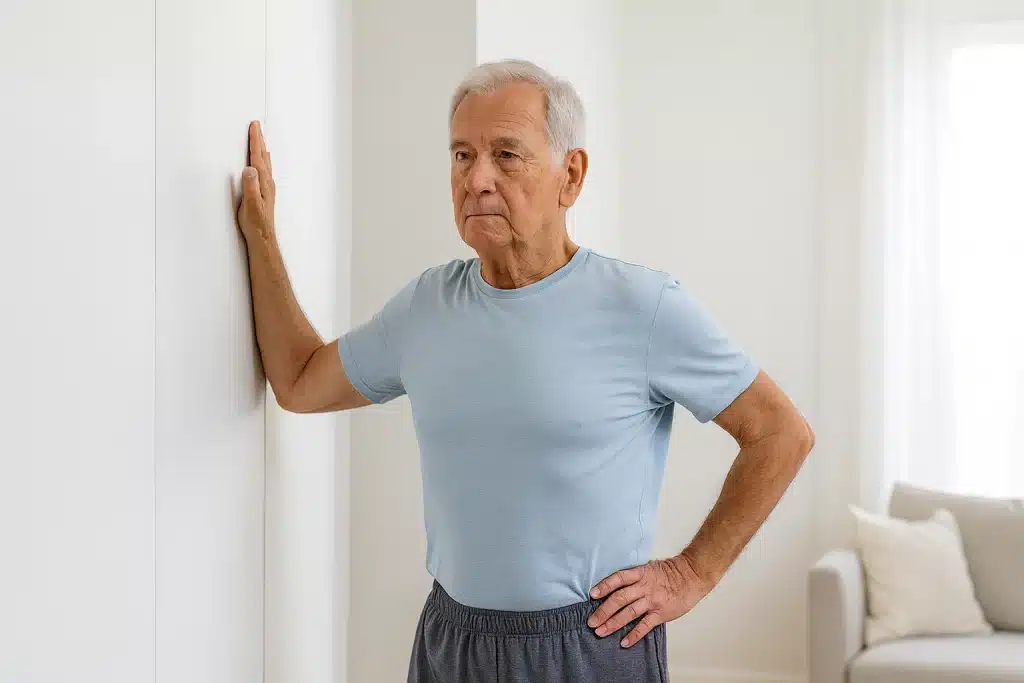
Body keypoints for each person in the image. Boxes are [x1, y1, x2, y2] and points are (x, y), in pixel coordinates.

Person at [236, 59, 814, 683]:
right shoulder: (427, 309)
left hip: (589, 644)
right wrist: (261, 236)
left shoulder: (642, 307)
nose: (477, 178)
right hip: (451, 640)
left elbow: (781, 433)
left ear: (572, 174)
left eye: (506, 155)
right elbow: (298, 380)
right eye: (462, 156)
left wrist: (692, 573)